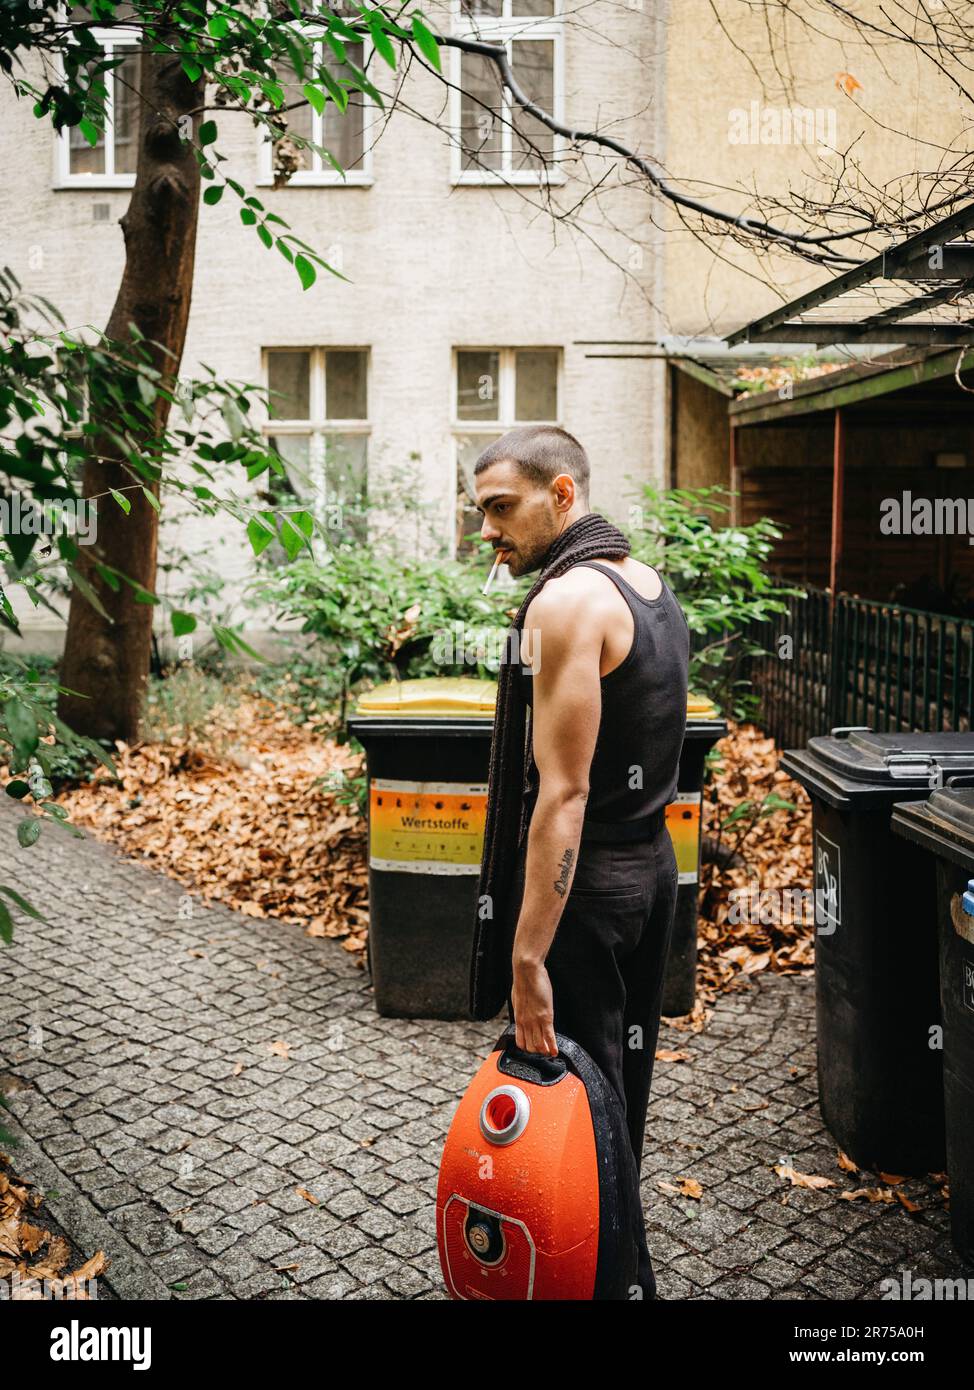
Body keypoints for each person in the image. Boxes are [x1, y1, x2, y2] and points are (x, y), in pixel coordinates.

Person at [471, 424, 689, 1300]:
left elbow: (560, 796)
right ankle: (617, 1272)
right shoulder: (649, 586)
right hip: (650, 871)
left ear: (562, 495)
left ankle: (605, 1284)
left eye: (500, 507)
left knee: (576, 1113)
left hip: (587, 894)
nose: (486, 530)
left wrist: (527, 957)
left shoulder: (566, 604)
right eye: (478, 509)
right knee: (616, 1101)